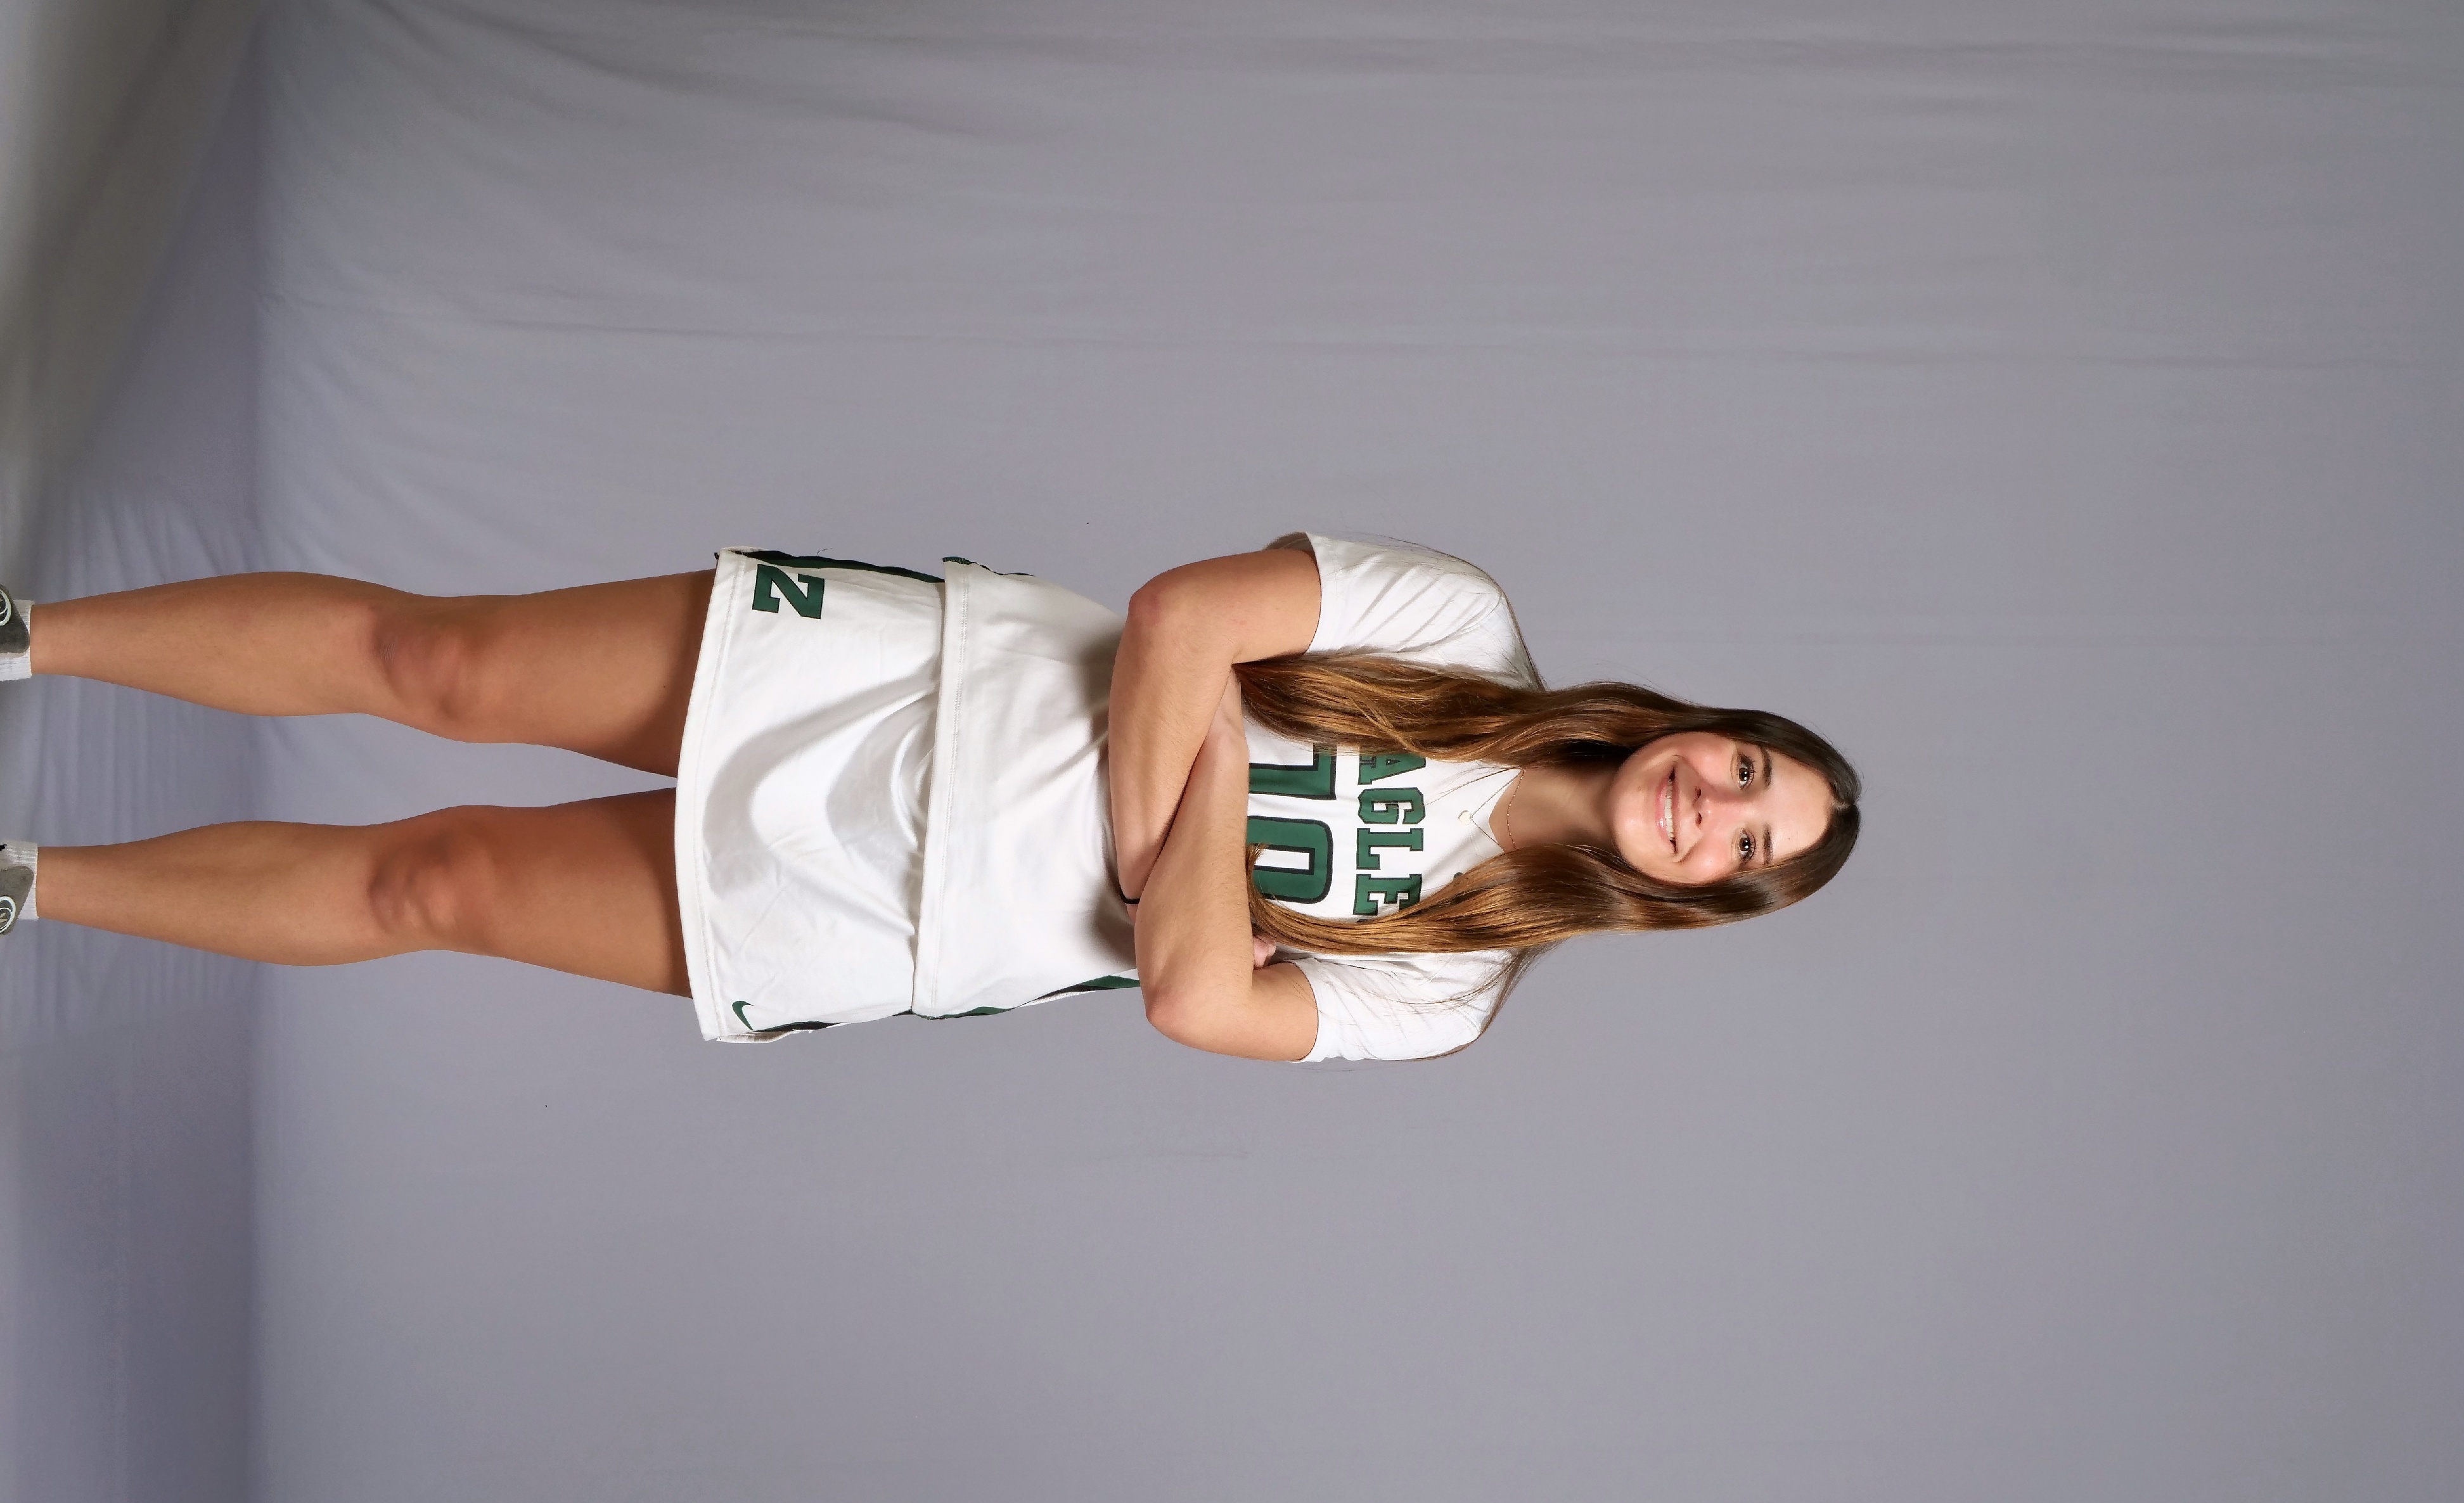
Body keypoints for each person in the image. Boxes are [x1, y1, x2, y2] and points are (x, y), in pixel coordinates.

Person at [0, 533, 1859, 1061]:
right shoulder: (1461, 631)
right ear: (1712, 727)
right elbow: (1178, 615)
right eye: (1748, 771)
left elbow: (1195, 1003)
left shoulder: (1449, 991)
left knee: (436, 886)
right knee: (446, 666)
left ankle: (21, 884)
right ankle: (27, 637)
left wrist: (1206, 752)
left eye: (1748, 848)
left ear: (1706, 897)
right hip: (919, 679)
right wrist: (1181, 856)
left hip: (897, 919)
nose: (1716, 811)